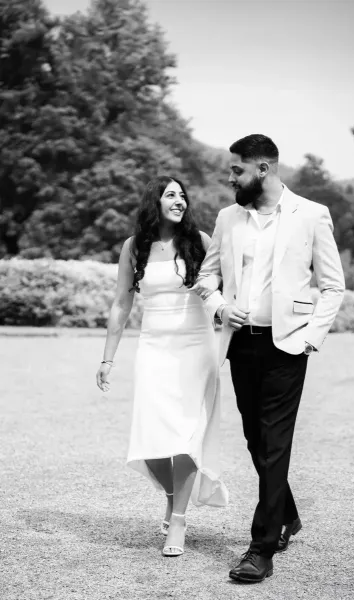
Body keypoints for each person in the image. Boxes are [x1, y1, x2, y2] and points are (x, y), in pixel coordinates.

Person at [193, 134, 345, 583]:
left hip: (287, 347)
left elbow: (333, 285)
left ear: (263, 168)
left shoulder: (311, 215)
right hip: (241, 344)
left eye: (237, 169)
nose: (230, 176)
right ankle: (288, 515)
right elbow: (206, 277)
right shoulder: (228, 217)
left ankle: (261, 548)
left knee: (274, 442)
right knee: (255, 440)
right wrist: (221, 306)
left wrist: (311, 338)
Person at [96, 175, 228, 558]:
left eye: (183, 195)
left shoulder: (200, 242)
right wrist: (108, 358)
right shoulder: (134, 247)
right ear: (154, 201)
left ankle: (180, 520)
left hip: (196, 347)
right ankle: (172, 495)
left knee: (187, 434)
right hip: (153, 347)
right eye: (171, 195)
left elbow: (223, 288)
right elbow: (122, 303)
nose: (180, 201)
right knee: (152, 435)